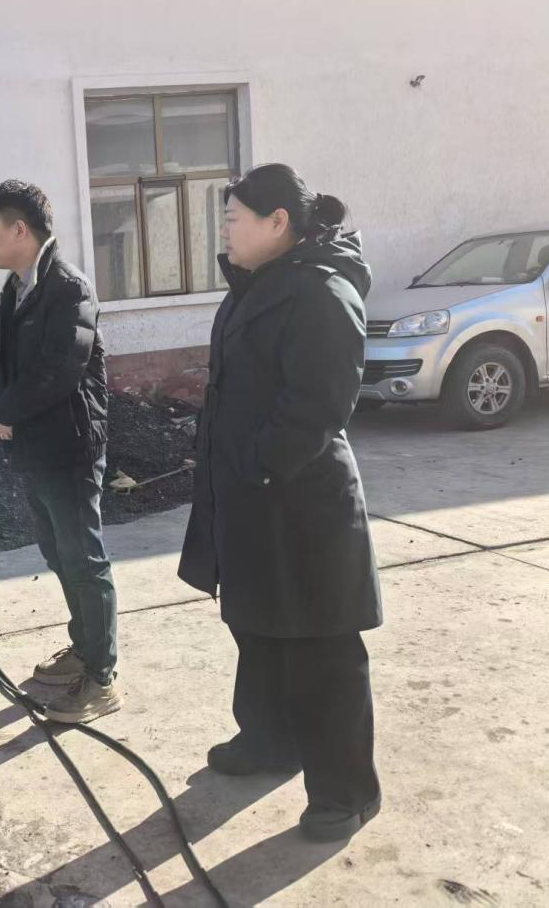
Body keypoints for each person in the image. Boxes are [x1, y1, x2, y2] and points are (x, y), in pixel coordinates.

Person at [178, 163, 383, 842]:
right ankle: (268, 741)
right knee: (258, 627)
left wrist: (255, 464)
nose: (224, 230)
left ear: (277, 222)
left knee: (321, 648)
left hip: (301, 502)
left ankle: (346, 793)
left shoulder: (321, 291)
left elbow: (319, 405)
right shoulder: (256, 284)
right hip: (249, 496)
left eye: (233, 218)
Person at [0, 180, 120, 724]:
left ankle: (101, 678)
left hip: (70, 445)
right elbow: (12, 368)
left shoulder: (67, 287)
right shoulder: (16, 288)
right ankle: (84, 646)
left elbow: (61, 369)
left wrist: (7, 413)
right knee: (59, 553)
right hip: (36, 445)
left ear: (19, 230)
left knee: (83, 558)